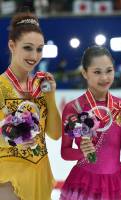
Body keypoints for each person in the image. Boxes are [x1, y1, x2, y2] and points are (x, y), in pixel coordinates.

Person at [60, 45, 121, 200]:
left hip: (114, 183)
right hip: (84, 182)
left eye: (109, 70)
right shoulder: (75, 108)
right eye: (97, 72)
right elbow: (65, 152)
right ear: (85, 73)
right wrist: (83, 153)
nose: (104, 78)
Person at [0, 12, 61, 200]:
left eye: (39, 49)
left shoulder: (40, 86)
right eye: (28, 48)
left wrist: (50, 96)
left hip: (40, 171)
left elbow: (55, 134)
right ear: (12, 45)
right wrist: (12, 139)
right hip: (9, 174)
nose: (34, 56)